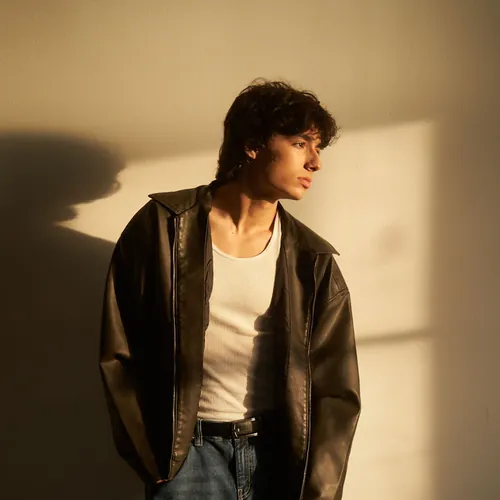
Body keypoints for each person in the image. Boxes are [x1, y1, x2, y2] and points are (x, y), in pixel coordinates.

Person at [100, 80, 361, 500]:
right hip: (187, 459)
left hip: (278, 458)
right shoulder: (165, 228)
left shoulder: (312, 260)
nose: (315, 163)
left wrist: (318, 490)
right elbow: (119, 350)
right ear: (253, 145)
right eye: (300, 144)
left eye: (318, 148)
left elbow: (336, 391)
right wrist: (151, 458)